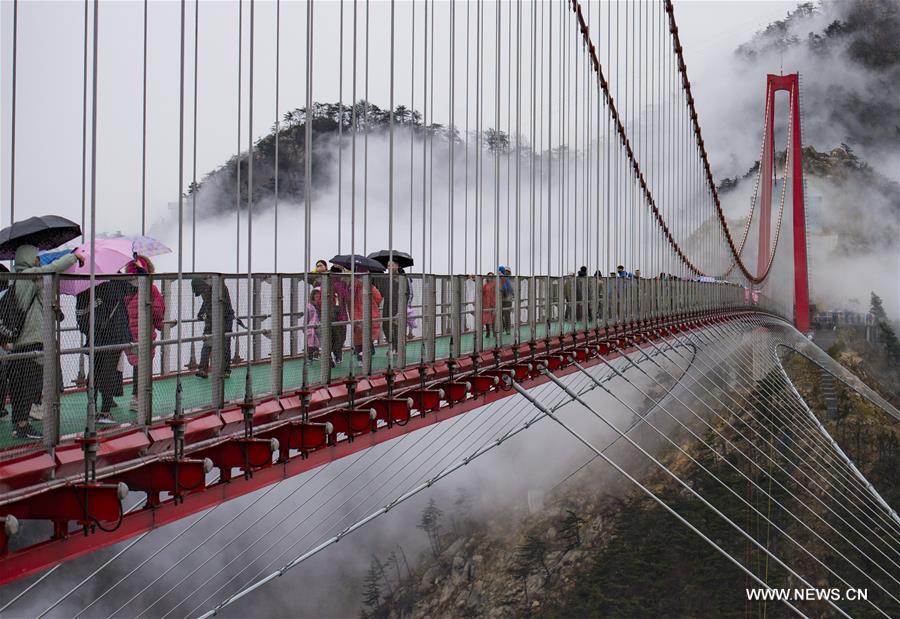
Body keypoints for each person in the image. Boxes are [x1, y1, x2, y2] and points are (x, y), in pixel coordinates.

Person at [8, 246, 83, 439]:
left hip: (19, 339)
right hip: (34, 337)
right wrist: (73, 257)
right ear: (29, 259)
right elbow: (54, 267)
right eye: (35, 257)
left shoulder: (16, 278)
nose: (38, 260)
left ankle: (20, 424)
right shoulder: (30, 275)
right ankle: (23, 425)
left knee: (21, 384)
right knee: (30, 383)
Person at [76, 278, 133, 422]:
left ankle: (92, 409)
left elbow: (80, 315)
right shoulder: (114, 282)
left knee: (94, 372)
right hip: (114, 334)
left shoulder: (84, 287)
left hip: (95, 337)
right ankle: (105, 412)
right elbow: (131, 289)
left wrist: (91, 331)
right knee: (109, 372)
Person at [123, 256, 165, 411]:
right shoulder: (150, 289)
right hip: (145, 332)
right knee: (143, 366)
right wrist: (160, 325)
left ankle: (113, 400)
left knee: (135, 364)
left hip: (127, 332)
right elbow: (158, 312)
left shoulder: (124, 288)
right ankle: (139, 397)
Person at [193, 277, 235, 379]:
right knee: (207, 342)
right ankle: (203, 369)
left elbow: (225, 307)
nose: (203, 295)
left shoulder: (220, 289)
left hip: (224, 320)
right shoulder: (209, 290)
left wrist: (207, 316)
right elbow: (206, 304)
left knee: (224, 345)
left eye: (203, 292)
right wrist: (202, 315)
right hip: (212, 320)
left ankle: (225, 370)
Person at [352, 276, 382, 363]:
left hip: (358, 315)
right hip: (370, 315)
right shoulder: (371, 288)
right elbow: (378, 298)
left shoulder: (354, 289)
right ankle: (364, 355)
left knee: (359, 337)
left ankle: (361, 356)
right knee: (367, 336)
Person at [329, 265, 351, 365]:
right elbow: (347, 297)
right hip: (340, 313)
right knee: (341, 336)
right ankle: (337, 355)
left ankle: (332, 354)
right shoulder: (341, 284)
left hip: (328, 314)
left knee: (332, 336)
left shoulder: (327, 282)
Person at [305, 287, 322, 359]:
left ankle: (316, 354)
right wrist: (305, 326)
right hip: (311, 325)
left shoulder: (322, 305)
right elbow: (307, 317)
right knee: (310, 341)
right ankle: (310, 356)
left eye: (319, 296)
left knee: (318, 340)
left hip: (319, 325)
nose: (317, 297)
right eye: (316, 296)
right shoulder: (309, 306)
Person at [498, 266, 514, 334]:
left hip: (505, 300)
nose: (506, 272)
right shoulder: (507, 279)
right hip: (506, 300)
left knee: (505, 315)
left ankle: (507, 329)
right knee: (503, 315)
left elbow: (506, 288)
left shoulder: (503, 278)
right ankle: (505, 328)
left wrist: (504, 293)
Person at [482, 273, 496, 340]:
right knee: (487, 320)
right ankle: (488, 333)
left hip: (494, 304)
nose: (490, 278)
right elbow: (481, 294)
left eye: (491, 276)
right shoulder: (485, 285)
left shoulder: (495, 285)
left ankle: (494, 333)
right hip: (486, 305)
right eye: (489, 276)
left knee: (494, 319)